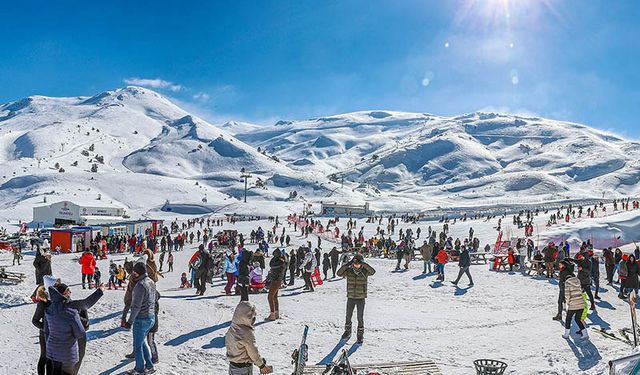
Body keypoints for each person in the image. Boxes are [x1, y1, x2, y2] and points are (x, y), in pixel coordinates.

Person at [122, 262, 157, 375]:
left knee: (137, 345)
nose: (133, 273)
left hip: (141, 318)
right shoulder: (151, 282)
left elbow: (136, 307)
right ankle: (150, 366)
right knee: (142, 342)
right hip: (151, 317)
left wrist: (129, 322)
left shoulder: (140, 285)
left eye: (134, 272)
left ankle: (139, 369)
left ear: (137, 273)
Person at [44, 283, 86, 375]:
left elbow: (46, 330)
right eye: (67, 290)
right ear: (62, 294)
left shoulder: (50, 308)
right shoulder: (71, 311)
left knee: (56, 372)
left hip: (53, 351)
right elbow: (80, 333)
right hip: (67, 352)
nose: (70, 292)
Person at [225, 301, 273, 374]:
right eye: (252, 318)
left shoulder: (232, 328)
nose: (253, 321)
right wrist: (261, 365)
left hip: (233, 366)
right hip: (243, 368)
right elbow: (252, 351)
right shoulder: (246, 333)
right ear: (247, 317)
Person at [337, 254, 376, 344]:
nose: (356, 265)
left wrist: (364, 264)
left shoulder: (365, 271)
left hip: (360, 298)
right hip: (351, 297)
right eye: (355, 264)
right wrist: (347, 264)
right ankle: (347, 331)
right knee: (348, 315)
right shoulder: (349, 271)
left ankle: (360, 334)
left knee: (360, 317)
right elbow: (339, 273)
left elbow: (373, 271)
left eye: (358, 264)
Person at [562, 265, 589, 340]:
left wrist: (568, 303)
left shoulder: (567, 283)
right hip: (581, 303)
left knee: (568, 319)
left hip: (573, 304)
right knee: (578, 319)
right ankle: (585, 334)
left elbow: (567, 295)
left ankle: (566, 334)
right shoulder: (578, 281)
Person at [265, 249, 285, 321]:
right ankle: (276, 313)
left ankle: (272, 314)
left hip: (275, 281)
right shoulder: (282, 261)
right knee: (274, 297)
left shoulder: (278, 262)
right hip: (278, 281)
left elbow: (271, 264)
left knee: (270, 297)